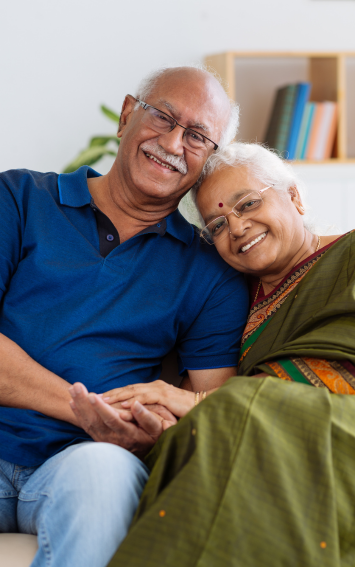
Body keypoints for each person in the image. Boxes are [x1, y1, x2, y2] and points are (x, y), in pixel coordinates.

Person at [105, 143, 355, 567]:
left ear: (293, 196)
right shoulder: (229, 300)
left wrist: (198, 403)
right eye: (216, 225)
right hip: (271, 438)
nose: (235, 227)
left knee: (233, 411)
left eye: (248, 203)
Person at [0, 68, 249, 567]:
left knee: (103, 478)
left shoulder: (212, 273)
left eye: (198, 136)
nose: (174, 142)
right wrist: (85, 409)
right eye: (163, 116)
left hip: (83, 461)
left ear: (207, 161)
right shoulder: (19, 198)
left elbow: (211, 406)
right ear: (127, 115)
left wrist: (151, 429)